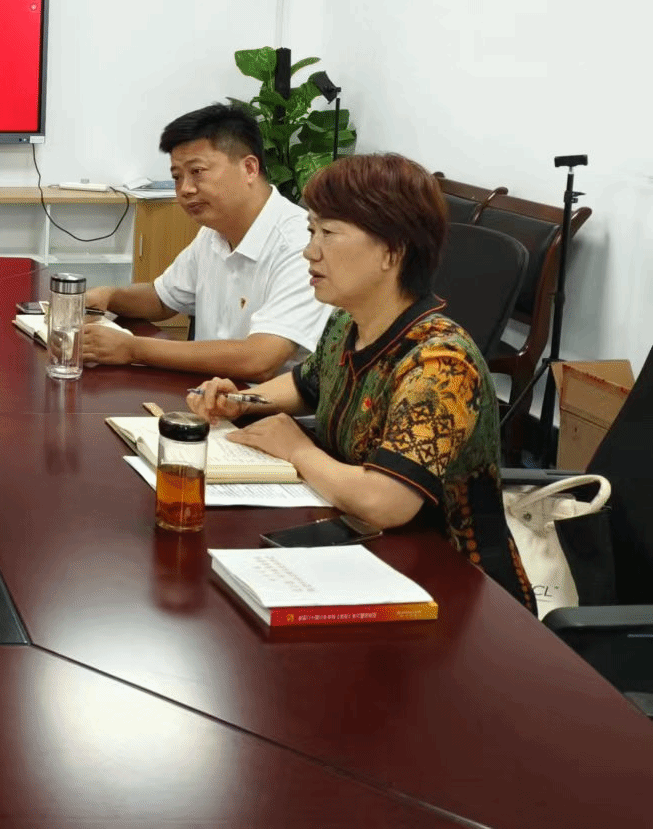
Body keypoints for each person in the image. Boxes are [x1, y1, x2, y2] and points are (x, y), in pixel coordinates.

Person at [190, 152, 534, 610]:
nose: (310, 251)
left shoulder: (441, 363)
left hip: (456, 589)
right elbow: (307, 385)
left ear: (393, 251)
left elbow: (386, 501)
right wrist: (243, 400)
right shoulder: (347, 323)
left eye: (328, 233)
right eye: (311, 231)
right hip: (368, 555)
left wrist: (296, 449)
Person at [80, 103, 329, 378]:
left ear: (249, 168)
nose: (185, 189)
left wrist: (133, 349)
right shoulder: (214, 232)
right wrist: (110, 296)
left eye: (197, 171)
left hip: (265, 402)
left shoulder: (301, 244)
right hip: (208, 393)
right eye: (177, 177)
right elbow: (162, 299)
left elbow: (260, 359)